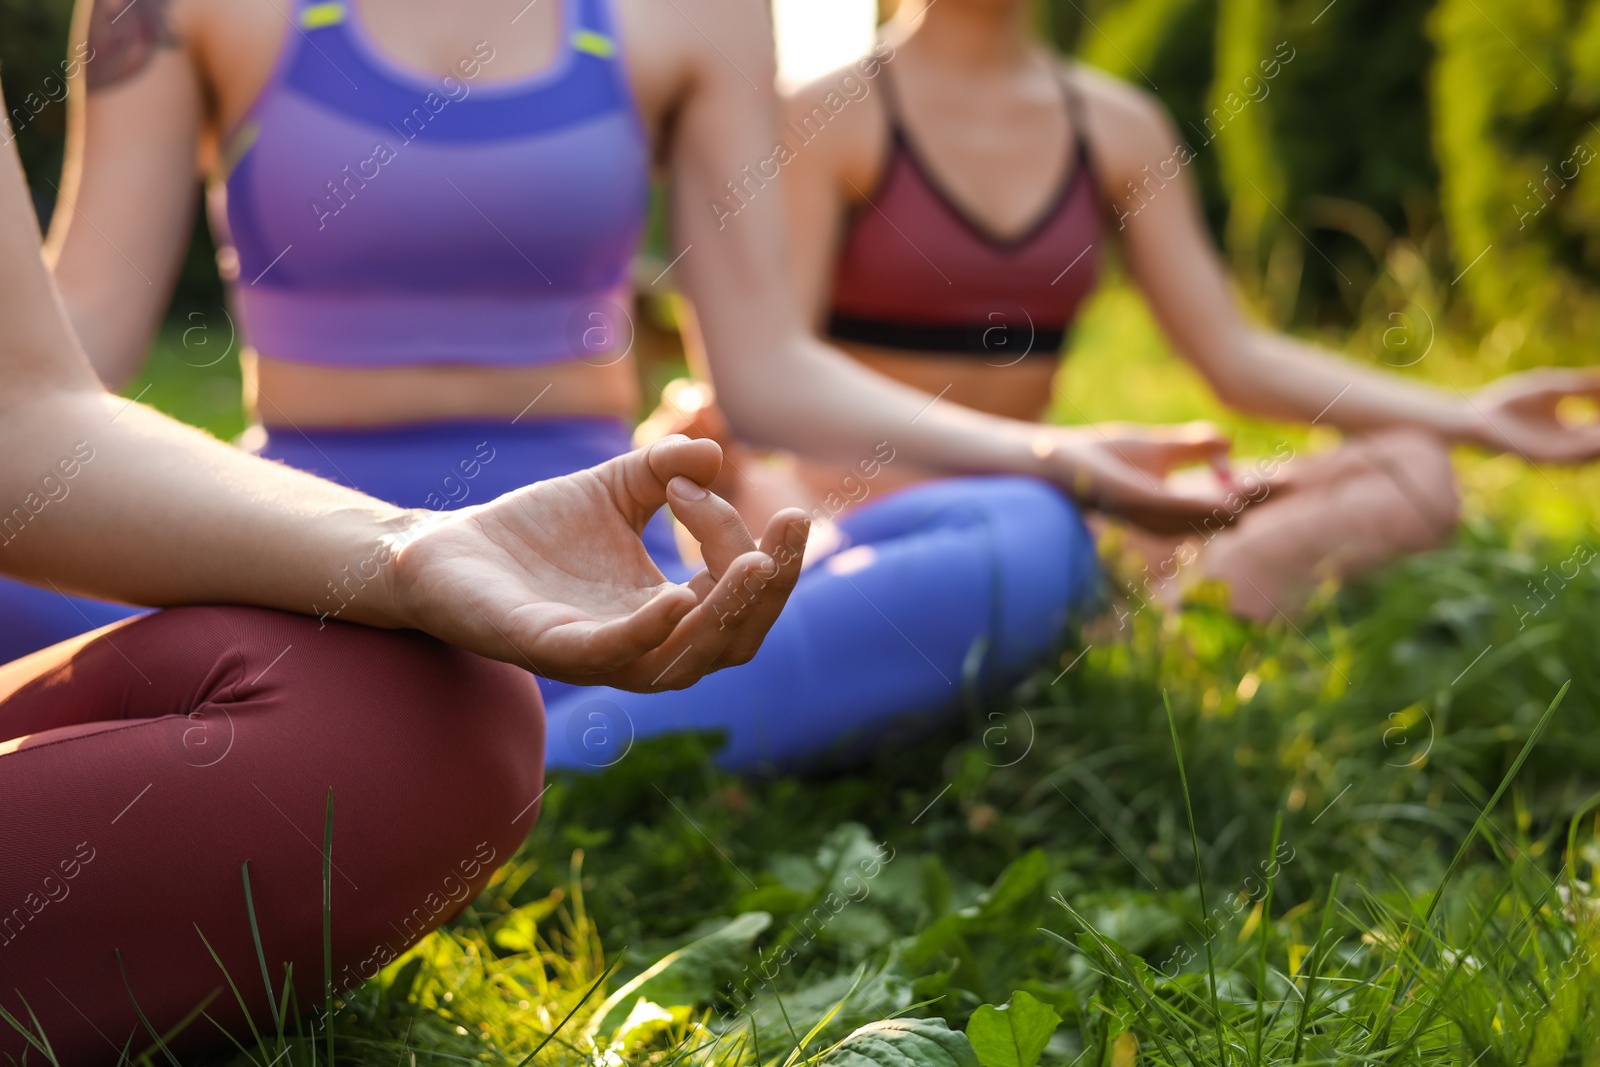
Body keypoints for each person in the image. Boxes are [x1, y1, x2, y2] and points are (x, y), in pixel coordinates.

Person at [33, 0, 1246, 772]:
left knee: (1019, 534)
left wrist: (1058, 458)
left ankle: (466, 759)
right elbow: (67, 352)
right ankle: (485, 754)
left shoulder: (696, 14)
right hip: (288, 564)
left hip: (601, 581)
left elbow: (764, 369)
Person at [0, 92, 805, 1061]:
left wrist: (406, 551)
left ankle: (576, 720)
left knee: (430, 718)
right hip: (228, 548)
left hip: (413, 560)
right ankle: (601, 739)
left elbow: (22, 414)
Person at [651, 0, 1600, 621]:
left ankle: (1149, 626)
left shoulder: (1117, 125)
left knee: (1414, 474)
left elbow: (1236, 355)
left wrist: (1474, 418)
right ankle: (1100, 618)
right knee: (811, 530)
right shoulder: (824, 116)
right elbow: (770, 363)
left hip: (1058, 492)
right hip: (860, 515)